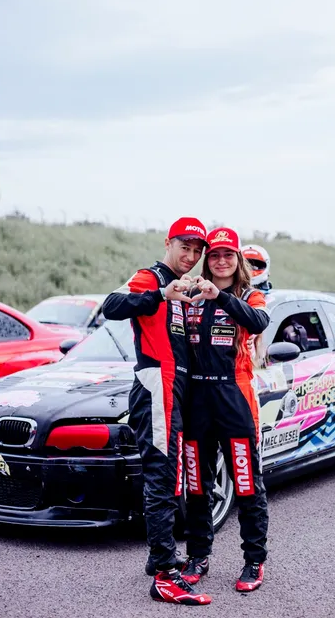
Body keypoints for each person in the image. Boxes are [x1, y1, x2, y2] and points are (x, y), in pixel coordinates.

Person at [102, 217, 212, 606]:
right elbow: (111, 306)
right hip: (155, 386)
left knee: (169, 476)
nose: (191, 256)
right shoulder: (152, 278)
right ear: (168, 243)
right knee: (162, 479)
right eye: (185, 247)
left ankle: (159, 557)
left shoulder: (183, 285)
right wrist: (160, 294)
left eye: (197, 251)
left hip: (173, 390)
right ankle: (165, 576)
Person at [181, 227, 270, 593]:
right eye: (214, 255)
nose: (220, 261)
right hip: (196, 400)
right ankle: (197, 556)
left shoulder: (251, 295)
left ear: (238, 259)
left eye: (227, 254)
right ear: (207, 260)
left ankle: (254, 561)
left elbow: (259, 322)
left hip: (234, 398)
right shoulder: (190, 294)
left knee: (246, 484)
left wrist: (219, 296)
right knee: (196, 485)